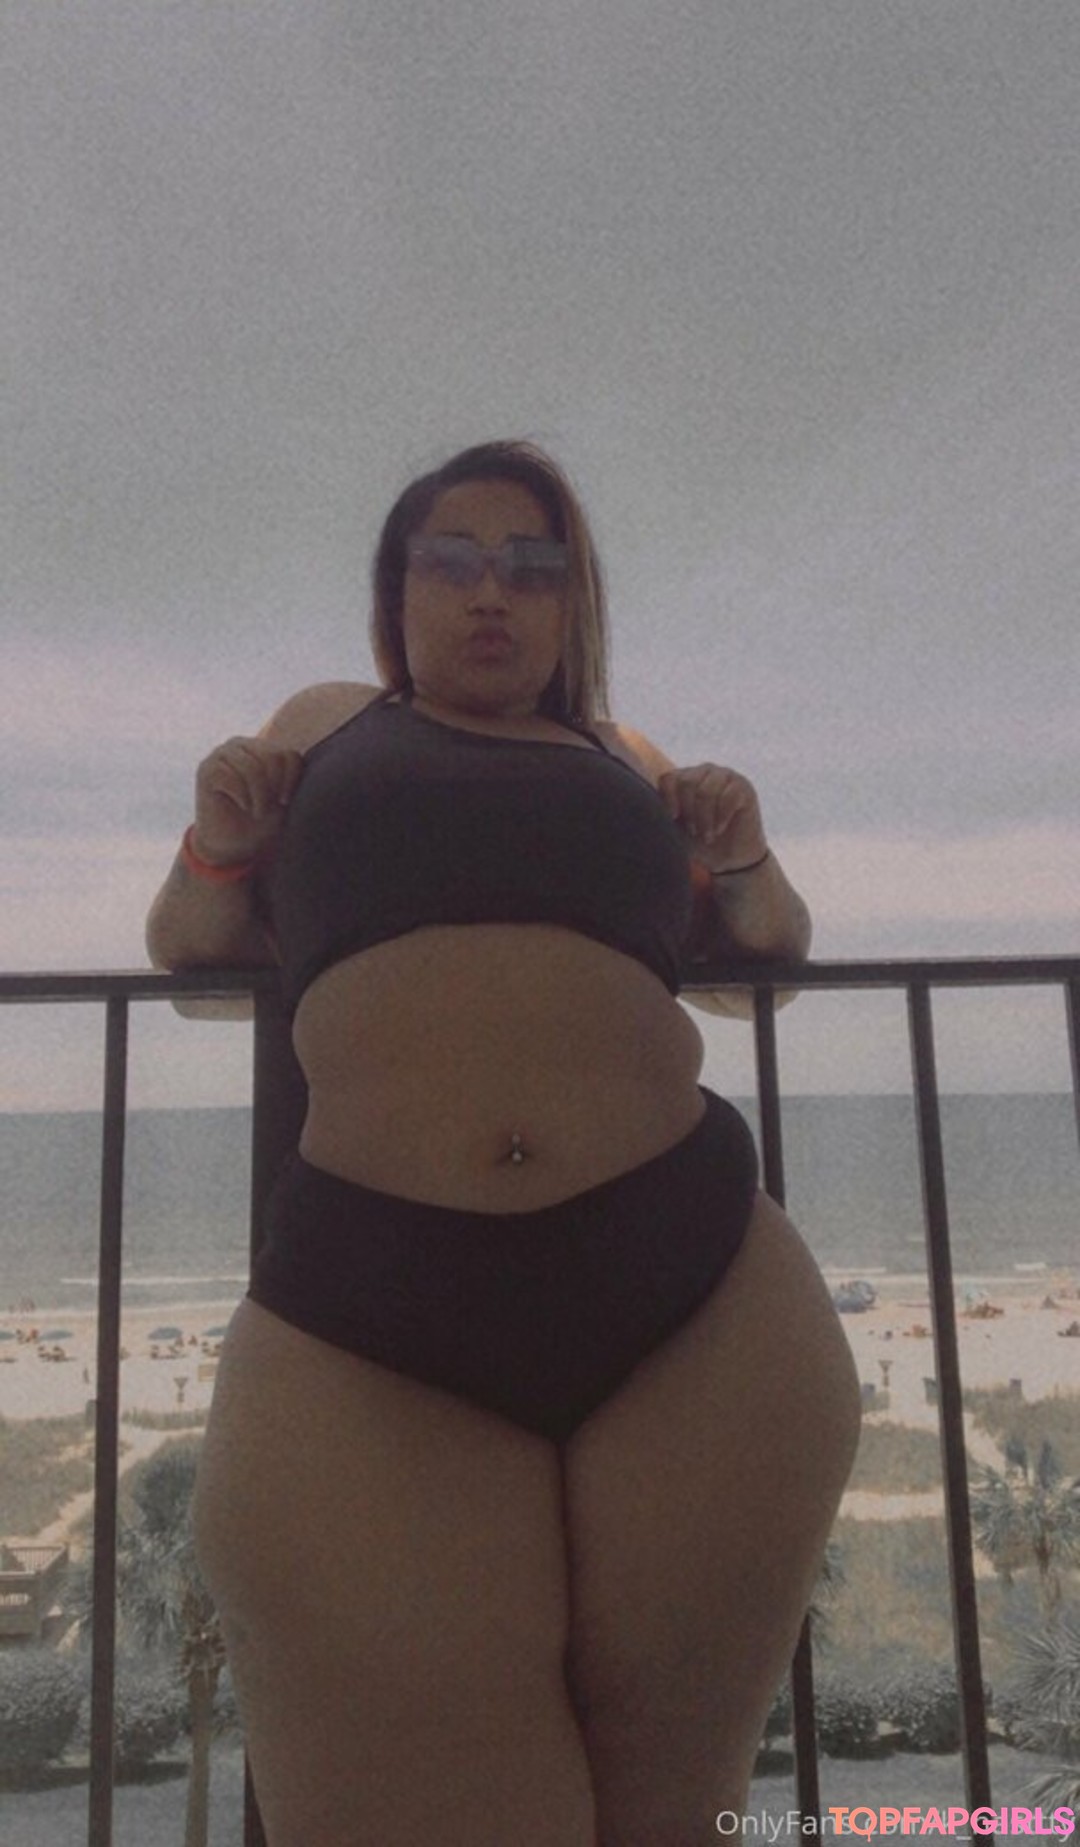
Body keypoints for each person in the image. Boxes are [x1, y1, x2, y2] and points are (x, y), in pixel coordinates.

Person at [147, 440, 860, 1847]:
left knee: (676, 1810)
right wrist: (220, 840)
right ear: (396, 593)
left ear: (569, 602)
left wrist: (746, 857)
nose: (493, 591)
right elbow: (189, 951)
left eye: (533, 566)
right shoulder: (327, 726)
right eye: (454, 559)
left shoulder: (623, 758)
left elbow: (761, 966)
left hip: (695, 1289)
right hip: (373, 1303)